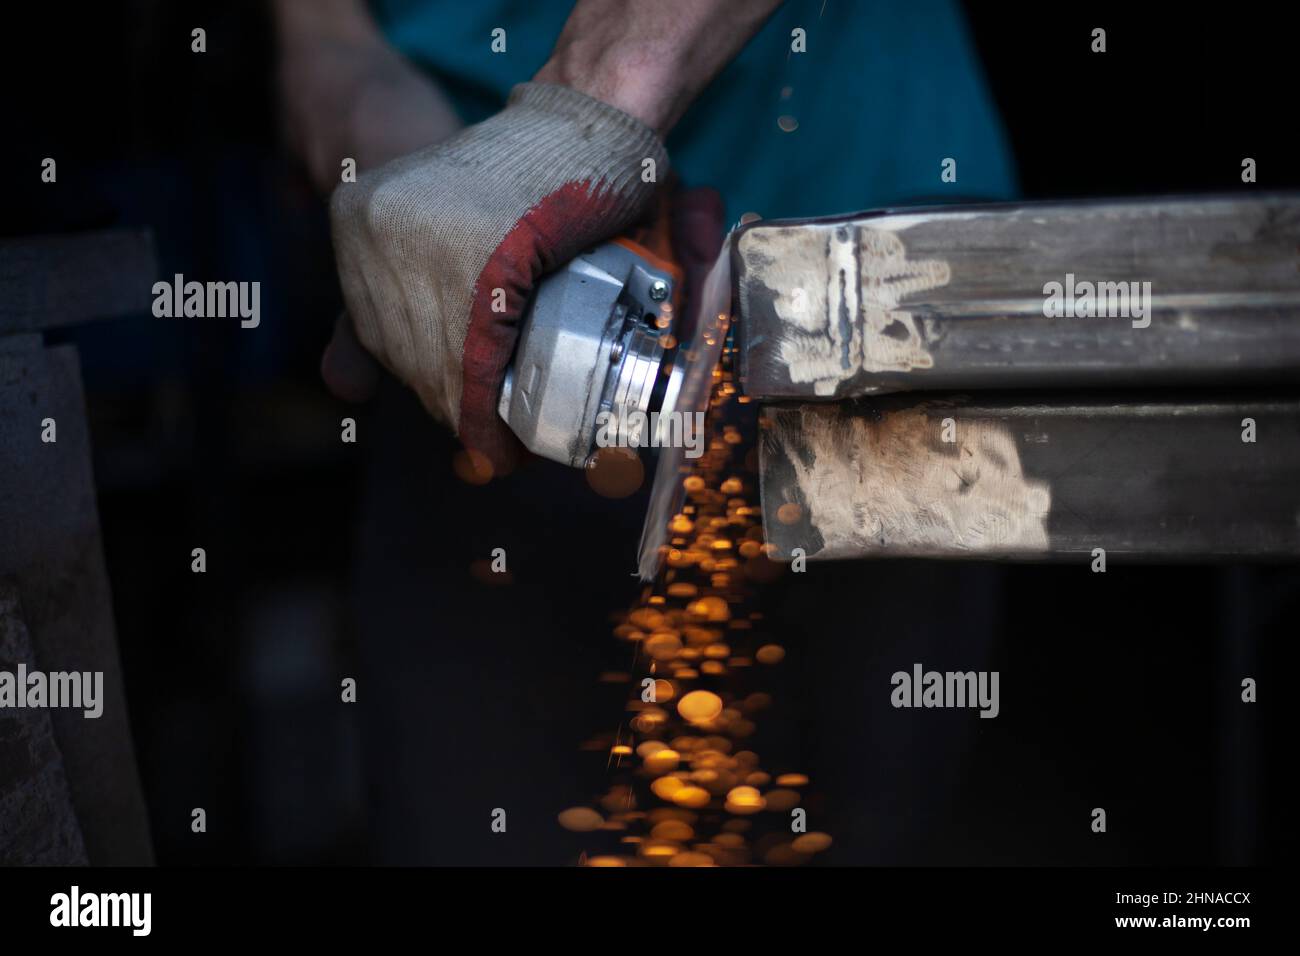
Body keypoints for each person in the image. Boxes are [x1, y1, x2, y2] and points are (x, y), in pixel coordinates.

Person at [274, 0, 1015, 864]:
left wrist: (573, 120)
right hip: (509, 332)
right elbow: (322, 36)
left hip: (859, 248)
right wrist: (417, 209)